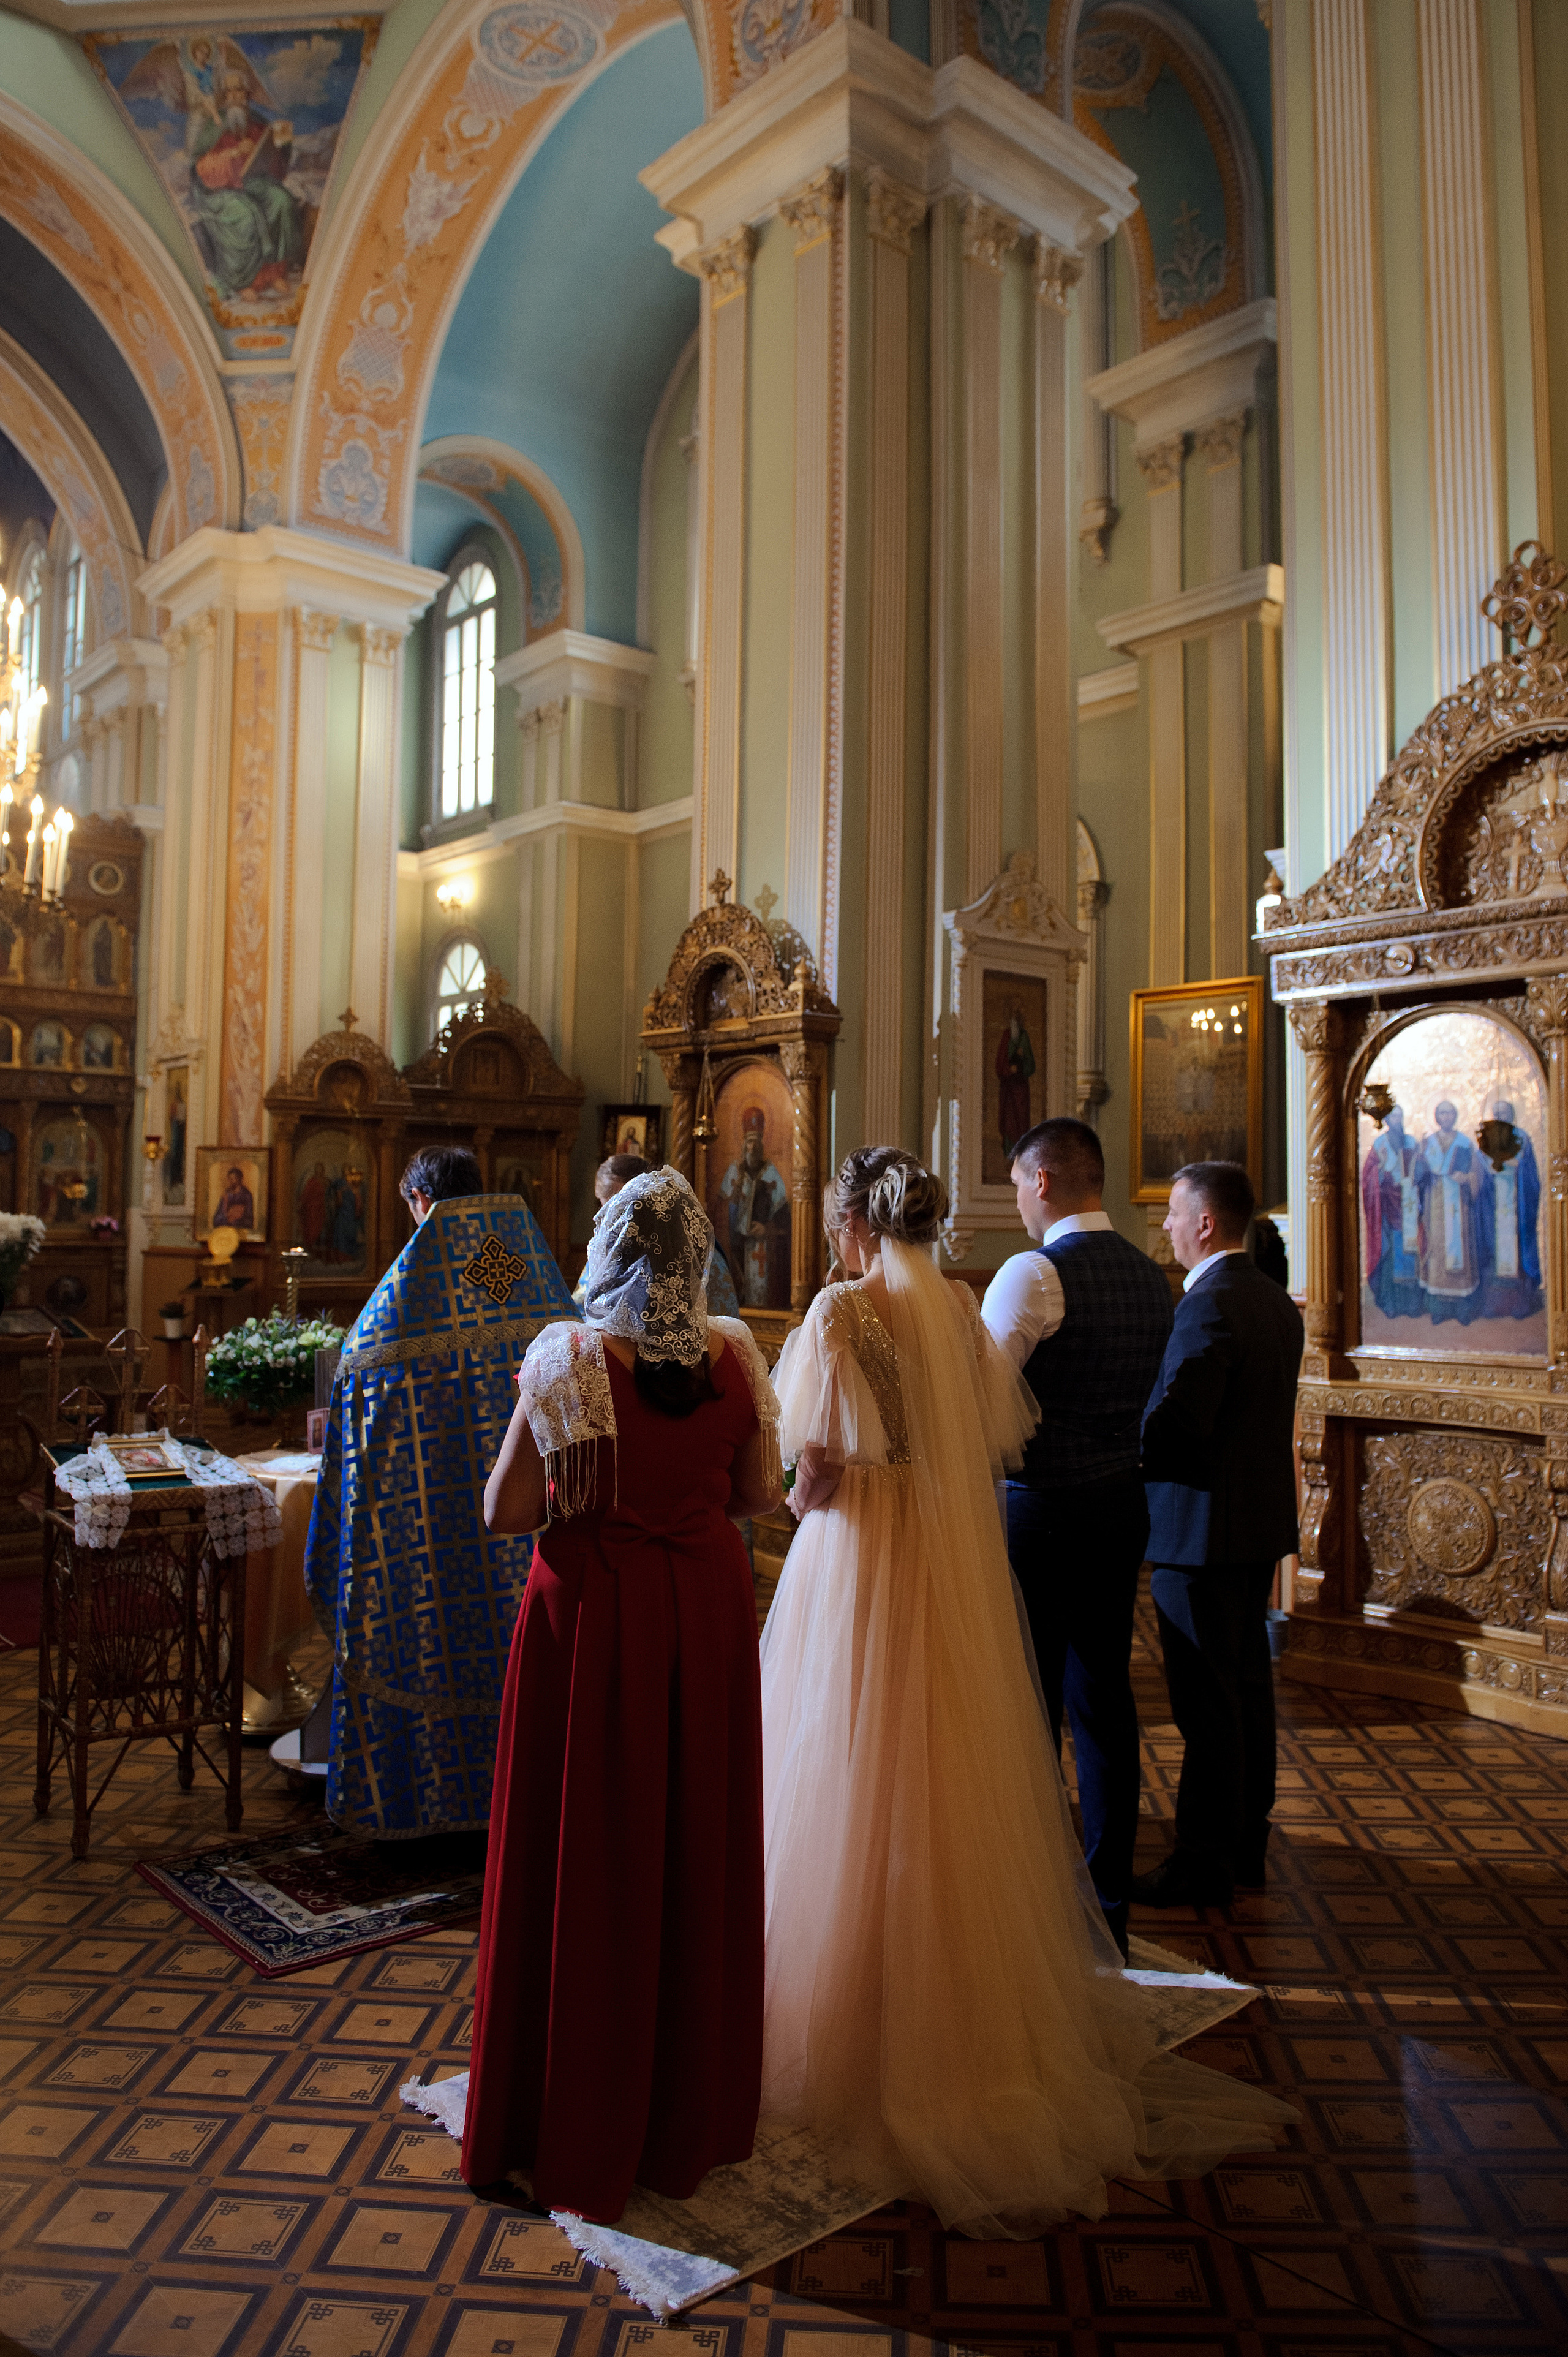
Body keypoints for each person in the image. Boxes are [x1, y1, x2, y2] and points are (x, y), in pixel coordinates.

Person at [763, 1145, 1294, 2236]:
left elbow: (813, 1465)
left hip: (859, 1551)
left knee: (845, 1750)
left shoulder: (838, 1314)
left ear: (856, 1223)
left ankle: (847, 1998)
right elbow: (987, 1435)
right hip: (943, 1554)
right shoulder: (959, 1306)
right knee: (945, 1746)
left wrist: (793, 1499)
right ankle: (962, 1988)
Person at [462, 1167, 782, 2220]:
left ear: (608, 1248)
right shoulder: (735, 1356)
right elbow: (755, 1498)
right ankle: (683, 2108)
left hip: (594, 1618)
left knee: (589, 1856)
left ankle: (570, 2108)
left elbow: (504, 1510)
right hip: (704, 1612)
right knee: (692, 1846)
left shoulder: (568, 1358)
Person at [303, 1147, 576, 1840]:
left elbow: (358, 1396)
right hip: (530, 1529)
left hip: (423, 1536)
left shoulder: (406, 1300)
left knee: (431, 1641)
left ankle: (421, 1795)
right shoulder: (524, 1276)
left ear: (421, 1200)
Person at [981, 1118, 1173, 1959]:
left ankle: (1025, 1902)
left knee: (1025, 1704)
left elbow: (982, 1405)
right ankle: (1108, 1904)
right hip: (1120, 1502)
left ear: (1044, 1179)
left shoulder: (1034, 1272)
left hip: (1041, 1506)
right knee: (1103, 1702)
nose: (1019, 1199)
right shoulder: (1149, 1272)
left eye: (1019, 1183)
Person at [1131, 1162, 1305, 1911]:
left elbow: (1179, 1422)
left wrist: (1130, 1446)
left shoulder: (1206, 1306)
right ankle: (1245, 1844)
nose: (1165, 1224)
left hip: (1197, 1532)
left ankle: (1202, 1858)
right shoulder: (1273, 1299)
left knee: (1205, 1705)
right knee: (1245, 1690)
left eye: (1173, 1212)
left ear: (1206, 1222)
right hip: (1255, 1523)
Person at [579, 1151, 741, 1316]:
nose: (611, 1220)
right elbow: (583, 1307)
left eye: (620, 1207)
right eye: (606, 1208)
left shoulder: (702, 1254)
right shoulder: (611, 1252)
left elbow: (716, 1320)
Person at [1417, 1100, 1483, 1324]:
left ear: (1455, 1117)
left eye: (1450, 1113)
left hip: (1459, 1206)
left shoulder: (1465, 1143)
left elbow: (1477, 1173)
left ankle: (1462, 1309)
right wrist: (1421, 1155)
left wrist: (1467, 1179)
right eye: (1442, 1113)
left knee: (1460, 1249)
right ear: (1436, 1117)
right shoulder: (1430, 1142)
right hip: (1435, 1204)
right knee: (1437, 1250)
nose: (1446, 1117)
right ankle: (1439, 1309)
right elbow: (1419, 1176)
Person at [1477, 1098, 1544, 1320]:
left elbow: (1532, 1175)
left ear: (1512, 1114)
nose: (1500, 1116)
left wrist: (1519, 1166)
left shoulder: (1522, 1137)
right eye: (1496, 1112)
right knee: (1492, 1250)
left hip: (1517, 1203)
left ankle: (1521, 1304)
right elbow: (1480, 1170)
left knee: (1518, 1251)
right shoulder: (1485, 1138)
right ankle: (1494, 1304)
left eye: (1504, 1112)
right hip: (1493, 1204)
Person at [720, 1110, 790, 1306]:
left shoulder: (771, 1174)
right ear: (744, 1145)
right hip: (735, 1245)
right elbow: (719, 1213)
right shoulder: (734, 1172)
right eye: (749, 1142)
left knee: (759, 1292)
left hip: (761, 1246)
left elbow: (784, 1215)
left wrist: (767, 1229)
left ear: (761, 1145)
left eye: (756, 1142)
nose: (752, 1148)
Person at [1360, 1107, 1423, 1319]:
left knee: (1411, 1251)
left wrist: (1417, 1172)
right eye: (1393, 1116)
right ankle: (1391, 1302)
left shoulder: (1412, 1142)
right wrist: (1382, 1169)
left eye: (1400, 1116)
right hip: (1388, 1206)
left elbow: (1421, 1171)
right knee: (1390, 1252)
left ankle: (1412, 1303)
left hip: (1410, 1204)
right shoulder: (1380, 1145)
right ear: (1387, 1120)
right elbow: (1368, 1178)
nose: (1397, 1120)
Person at [995, 1001, 1036, 1160]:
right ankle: (1008, 1156)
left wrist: (1022, 1064)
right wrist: (1008, 1069)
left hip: (1020, 1088)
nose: (1014, 1019)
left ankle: (1020, 1156)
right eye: (1012, 1015)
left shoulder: (1024, 1037)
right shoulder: (1006, 1036)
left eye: (1017, 1016)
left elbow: (1031, 1065)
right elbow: (999, 1063)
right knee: (1008, 1120)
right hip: (1007, 1088)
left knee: (1021, 1121)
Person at [214, 1163, 254, 1232]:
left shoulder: (246, 1195)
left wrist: (236, 1219)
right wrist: (227, 1216)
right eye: (230, 1179)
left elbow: (249, 1219)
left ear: (239, 1179)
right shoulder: (227, 1194)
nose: (231, 1181)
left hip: (240, 1229)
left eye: (234, 1178)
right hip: (226, 1229)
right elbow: (217, 1218)